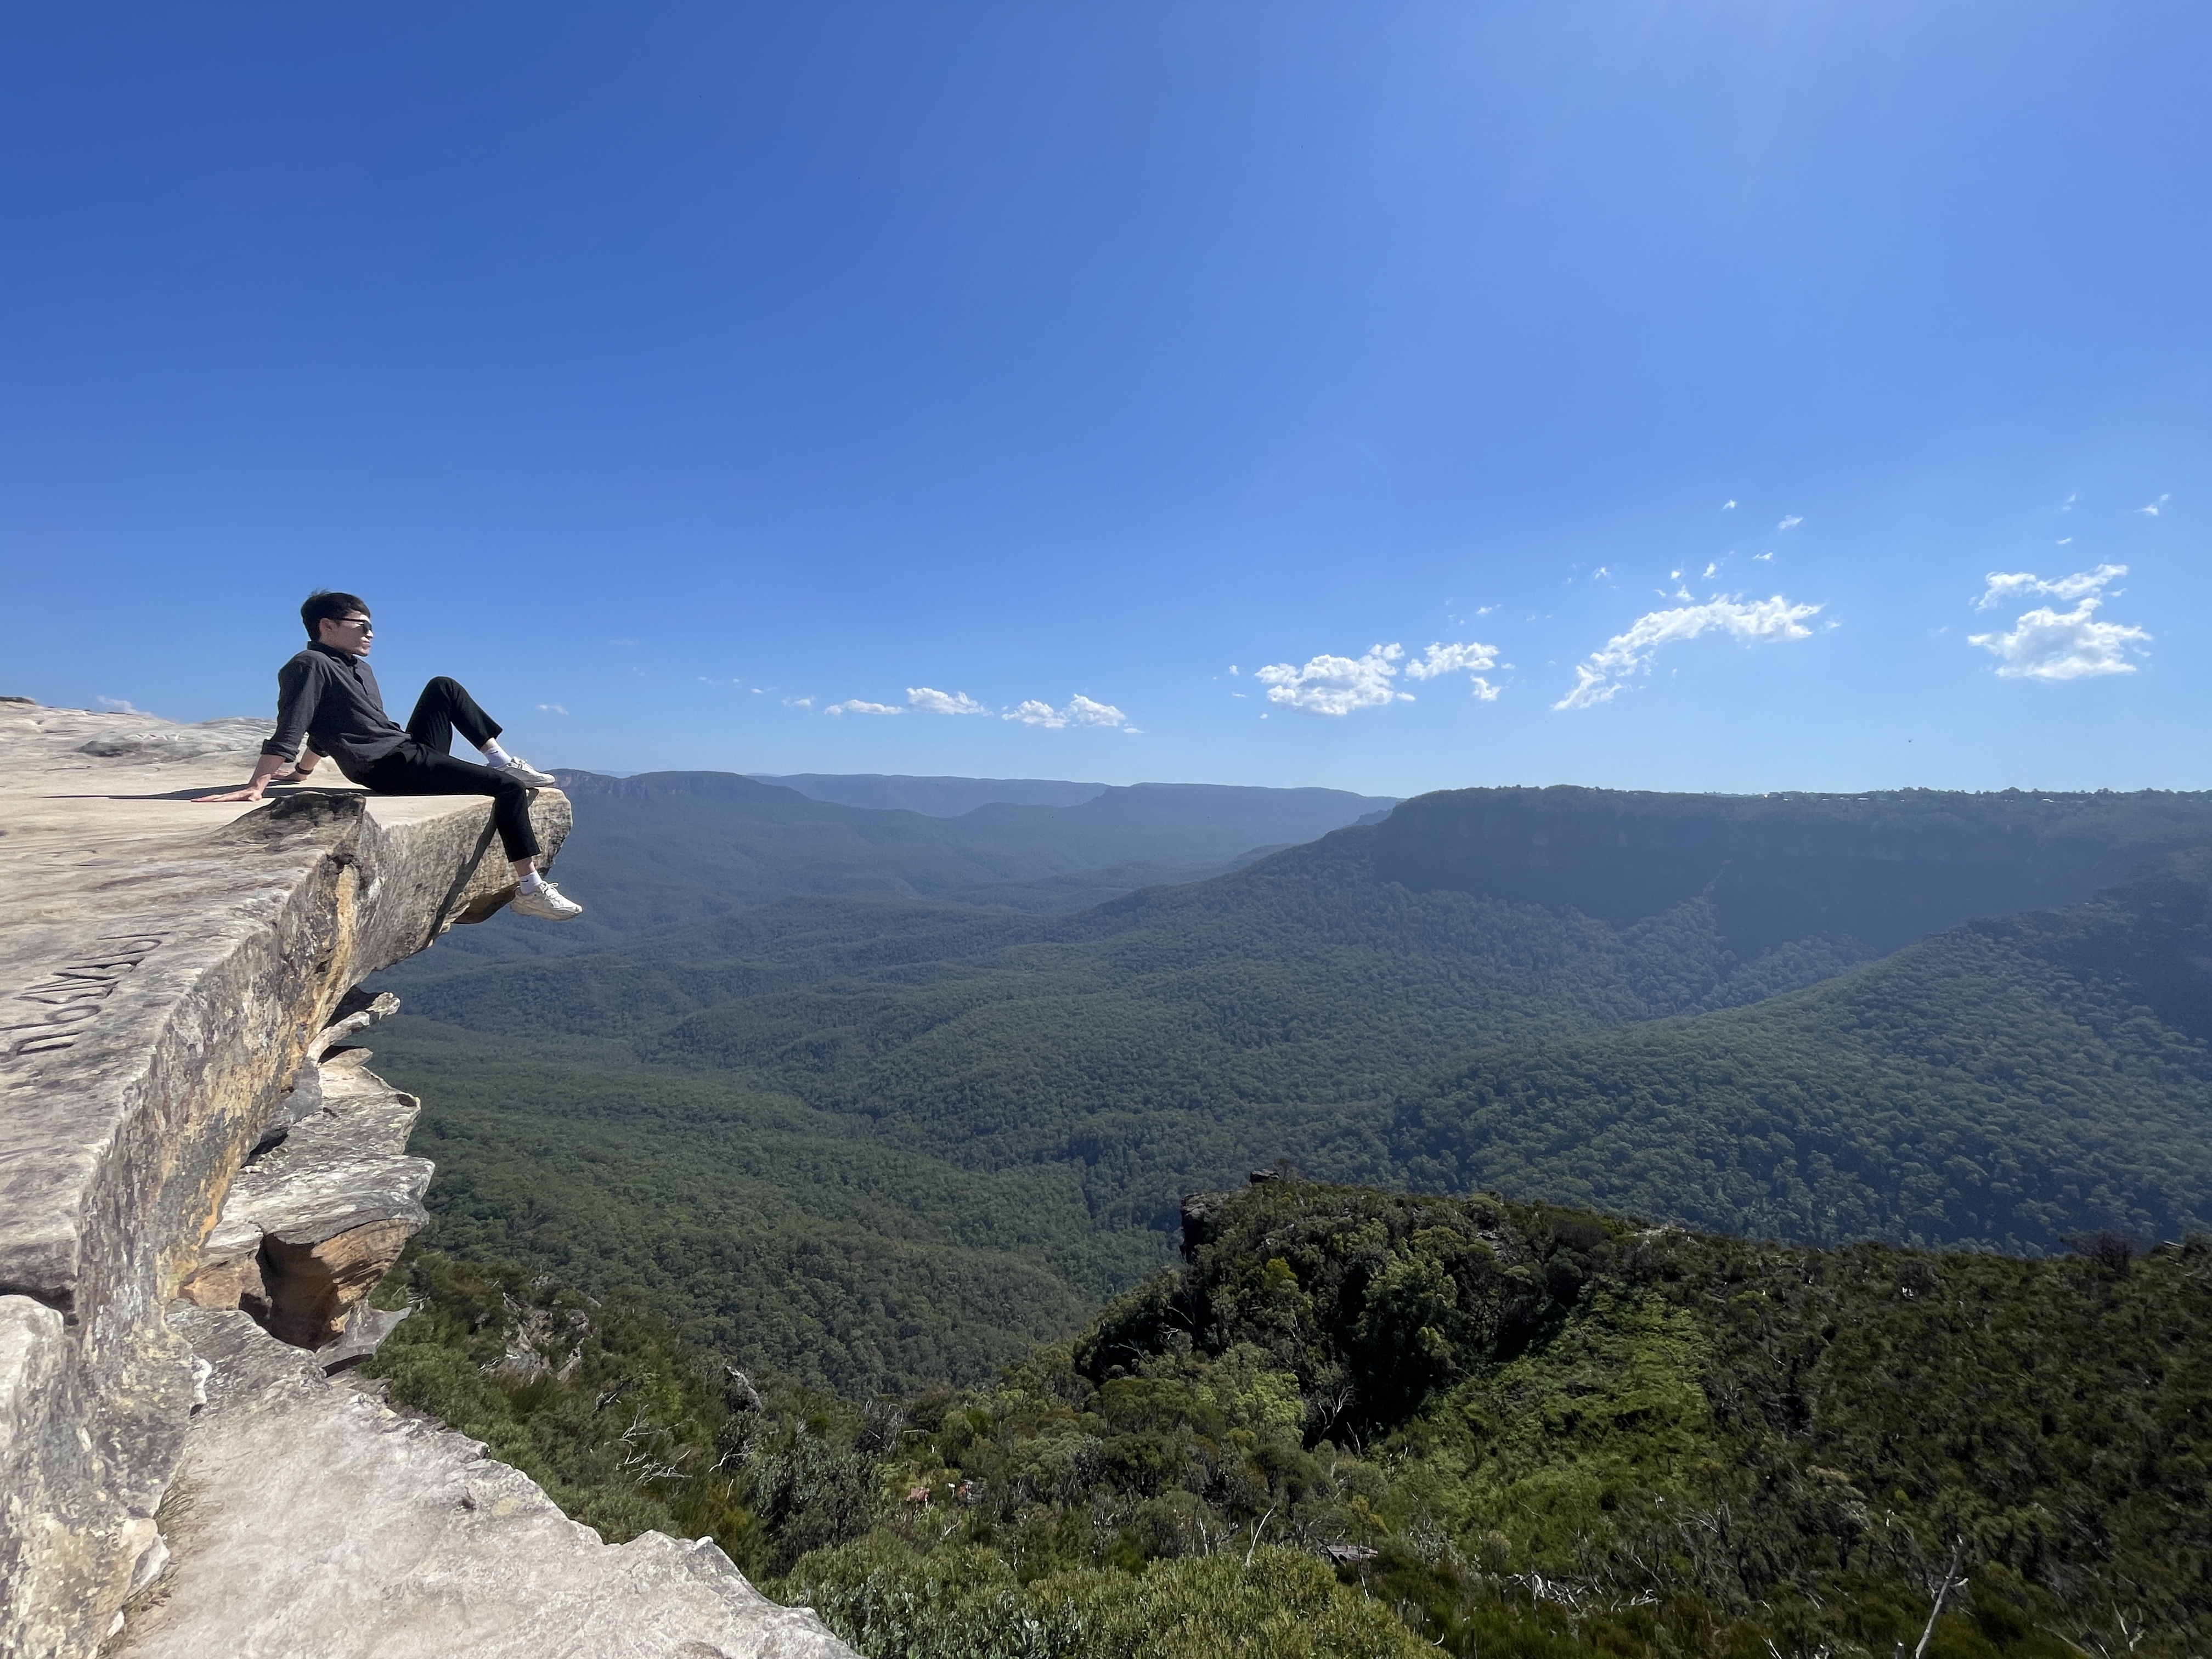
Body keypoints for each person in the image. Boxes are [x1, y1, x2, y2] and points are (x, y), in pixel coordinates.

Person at [196, 591, 585, 921]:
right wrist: (257, 785)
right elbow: (295, 724)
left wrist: (301, 772)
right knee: (508, 790)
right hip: (389, 767)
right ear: (326, 626)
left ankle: (499, 757)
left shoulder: (359, 669)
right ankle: (530, 889)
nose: (371, 633)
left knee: (443, 687)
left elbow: (329, 727)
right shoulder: (308, 665)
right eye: (360, 625)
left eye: (371, 625)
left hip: (404, 750)